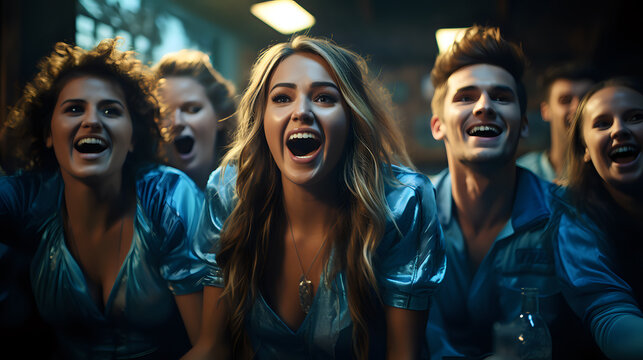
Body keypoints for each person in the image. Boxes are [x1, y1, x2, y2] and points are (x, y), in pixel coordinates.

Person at [186, 35, 446, 360]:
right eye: (282, 98)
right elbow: (212, 347)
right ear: (261, 119)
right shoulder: (230, 193)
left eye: (324, 98)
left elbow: (403, 355)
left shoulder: (402, 203)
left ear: (352, 118)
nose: (302, 112)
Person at [0, 38, 206, 359]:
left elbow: (211, 346)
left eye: (110, 110)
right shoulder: (29, 199)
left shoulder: (166, 197)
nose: (92, 120)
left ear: (133, 137)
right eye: (73, 109)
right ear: (48, 134)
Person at [425, 25, 587, 359]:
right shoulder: (410, 215)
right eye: (465, 97)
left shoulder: (566, 214)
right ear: (438, 124)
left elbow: (604, 303)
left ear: (523, 124)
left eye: (501, 96)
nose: (484, 106)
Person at [552, 78, 643, 359]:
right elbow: (610, 319)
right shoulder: (573, 214)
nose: (620, 130)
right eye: (602, 124)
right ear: (585, 152)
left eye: (635, 117)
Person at [153, 49, 236, 190]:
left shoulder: (250, 193)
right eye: (164, 112)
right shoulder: (142, 200)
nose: (177, 122)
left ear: (220, 116)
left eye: (192, 109)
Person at [517, 62, 598, 182]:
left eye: (586, 99)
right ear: (545, 111)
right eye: (565, 100)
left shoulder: (609, 172)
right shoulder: (523, 174)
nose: (577, 108)